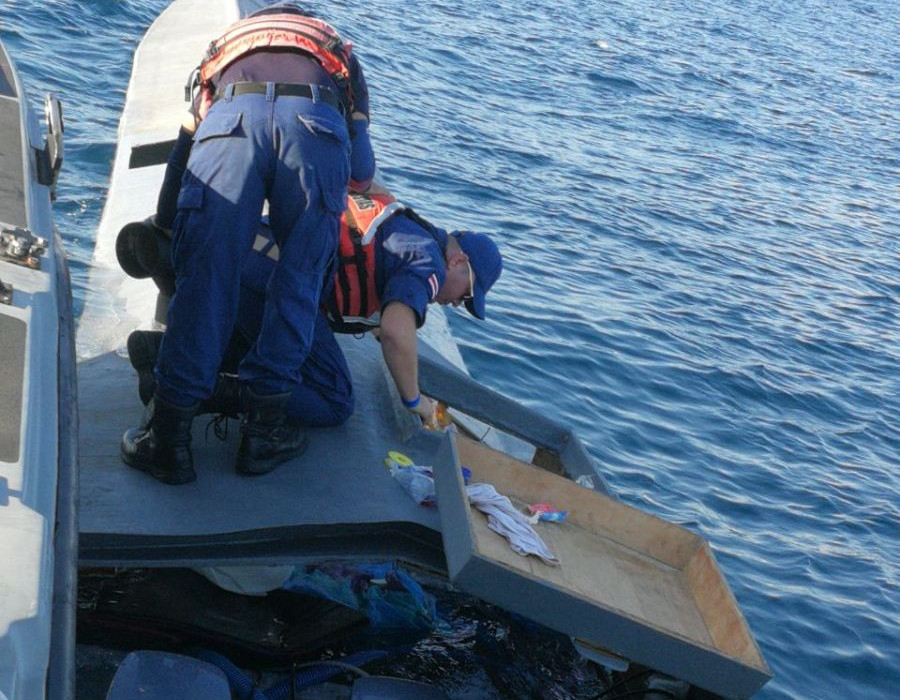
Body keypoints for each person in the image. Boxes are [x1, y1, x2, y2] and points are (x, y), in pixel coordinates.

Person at [120, 2, 376, 485]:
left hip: (232, 120)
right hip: (315, 127)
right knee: (298, 282)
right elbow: (361, 172)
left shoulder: (223, 49)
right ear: (308, 23)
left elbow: (185, 144)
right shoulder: (339, 53)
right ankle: (264, 437)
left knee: (207, 279)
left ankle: (169, 439)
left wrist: (170, 224)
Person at [124, 181, 503, 435]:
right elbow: (396, 332)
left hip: (241, 252)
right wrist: (414, 401)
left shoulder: (405, 225)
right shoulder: (429, 263)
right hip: (273, 283)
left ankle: (159, 353)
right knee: (333, 399)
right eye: (465, 294)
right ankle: (197, 393)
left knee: (275, 349)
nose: (456, 302)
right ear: (457, 262)